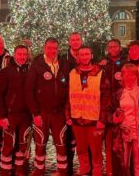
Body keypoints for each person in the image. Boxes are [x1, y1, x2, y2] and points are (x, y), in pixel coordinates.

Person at [26, 37, 69, 175]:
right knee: (40, 142)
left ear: (58, 49)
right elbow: (29, 90)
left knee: (61, 143)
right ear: (45, 48)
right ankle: (39, 169)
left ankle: (62, 170)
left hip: (59, 112)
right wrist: (35, 113)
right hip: (42, 112)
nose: (52, 51)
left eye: (55, 48)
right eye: (49, 48)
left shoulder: (64, 64)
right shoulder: (37, 65)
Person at [66, 45, 110, 176]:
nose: (84, 57)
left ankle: (97, 171)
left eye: (87, 54)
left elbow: (106, 98)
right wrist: (68, 115)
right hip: (77, 119)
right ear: (78, 57)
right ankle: (84, 170)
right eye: (81, 55)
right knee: (81, 149)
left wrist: (102, 119)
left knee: (96, 151)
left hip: (94, 120)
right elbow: (67, 96)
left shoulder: (101, 73)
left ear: (91, 56)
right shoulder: (72, 73)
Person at [111, 63, 139, 176]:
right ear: (122, 77)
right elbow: (112, 110)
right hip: (123, 132)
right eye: (126, 75)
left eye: (132, 75)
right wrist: (116, 118)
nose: (129, 77)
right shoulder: (118, 93)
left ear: (137, 76)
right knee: (123, 162)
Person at [0, 45, 32, 176]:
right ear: (15, 55)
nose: (22, 57)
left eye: (24, 54)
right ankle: (5, 171)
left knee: (22, 144)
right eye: (20, 54)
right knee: (8, 145)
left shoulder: (30, 72)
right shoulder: (6, 72)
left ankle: (19, 170)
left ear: (27, 56)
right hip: (10, 115)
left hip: (26, 116)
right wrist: (2, 116)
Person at [101, 38, 127, 175]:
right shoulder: (103, 64)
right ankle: (111, 171)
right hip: (106, 108)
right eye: (110, 46)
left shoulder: (125, 64)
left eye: (115, 46)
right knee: (110, 143)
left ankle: (124, 169)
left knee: (124, 142)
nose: (112, 48)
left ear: (119, 48)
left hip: (122, 106)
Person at [63, 32, 83, 174]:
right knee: (69, 139)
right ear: (69, 42)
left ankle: (85, 168)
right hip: (69, 103)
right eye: (73, 40)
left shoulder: (87, 55)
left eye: (78, 39)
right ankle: (68, 167)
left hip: (86, 105)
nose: (75, 42)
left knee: (84, 140)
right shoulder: (64, 59)